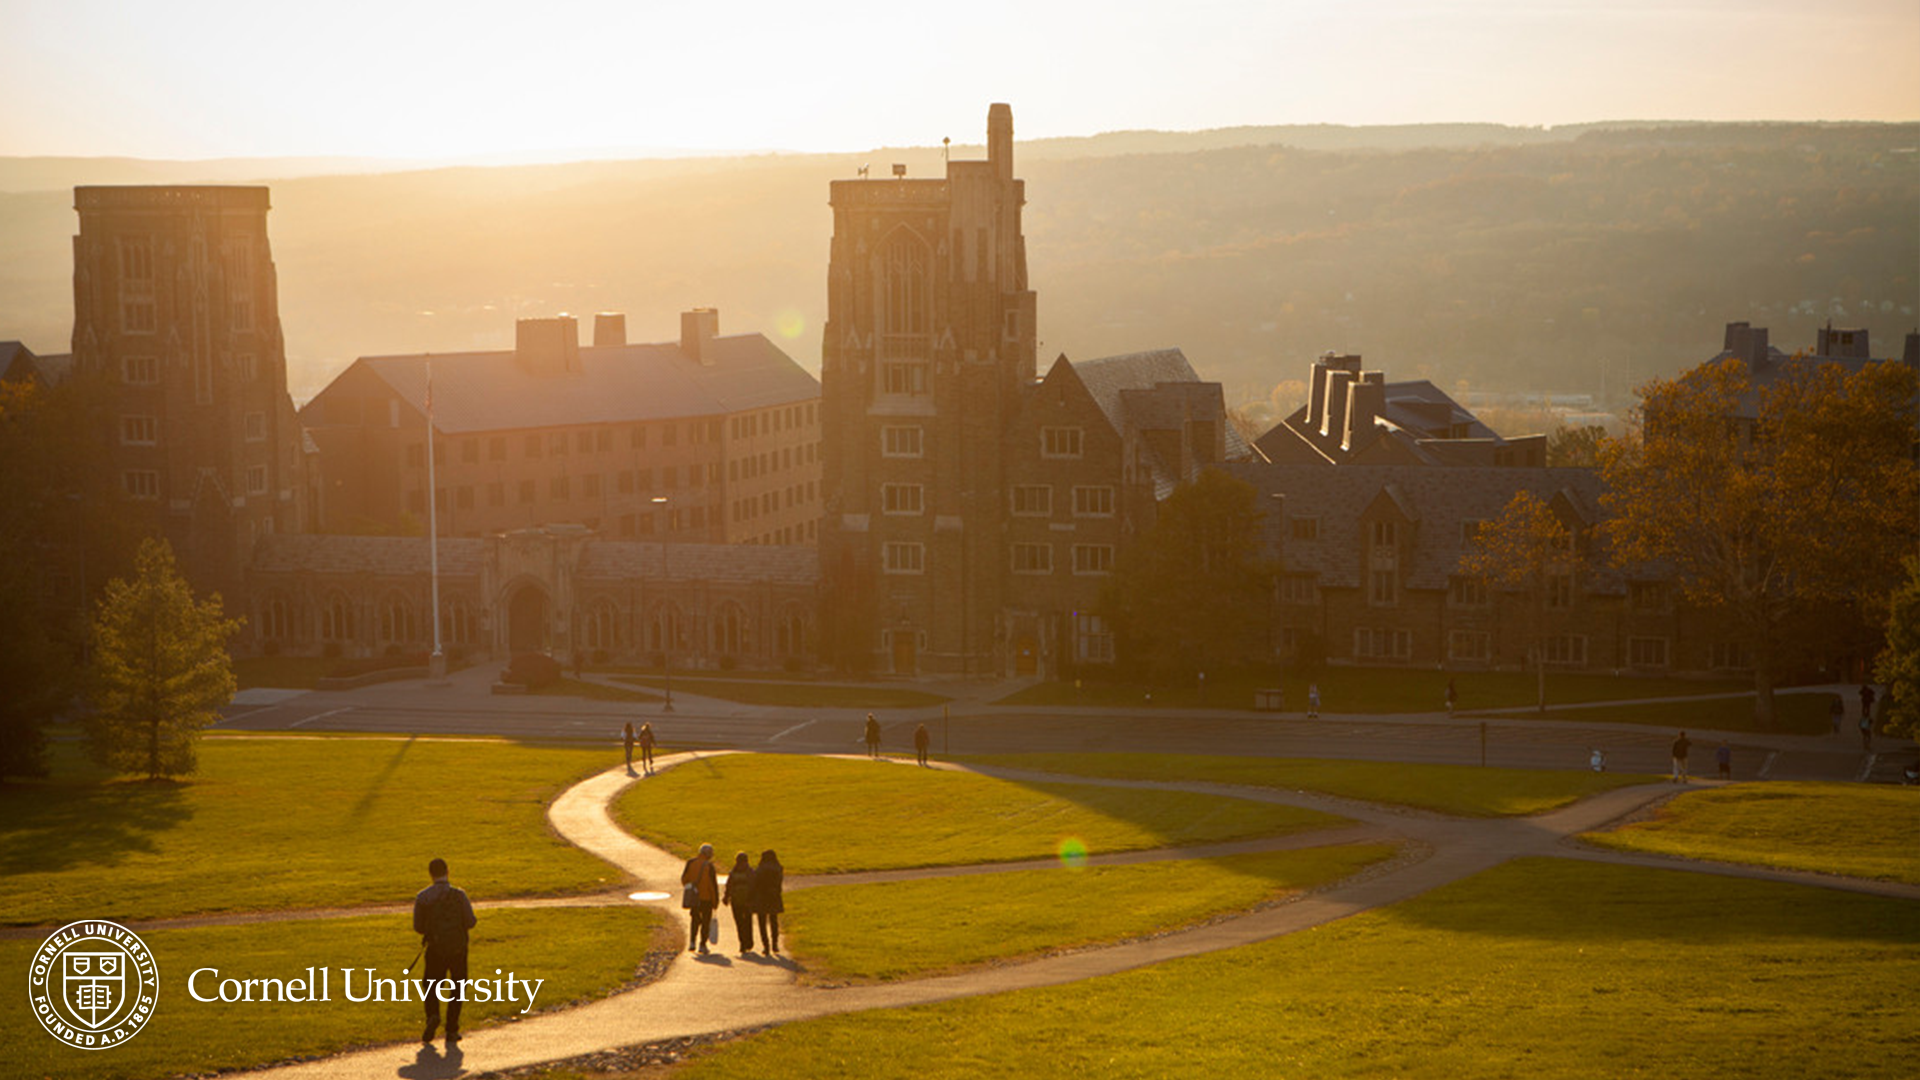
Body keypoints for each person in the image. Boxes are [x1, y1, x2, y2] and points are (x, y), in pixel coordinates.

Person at [412, 857, 477, 1046]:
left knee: (431, 986)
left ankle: (433, 1015)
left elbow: (418, 927)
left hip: (435, 949)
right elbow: (471, 922)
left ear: (430, 873)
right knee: (457, 988)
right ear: (448, 871)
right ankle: (451, 1029)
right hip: (458, 949)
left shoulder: (423, 897)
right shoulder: (459, 895)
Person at [680, 844, 720, 955]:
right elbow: (712, 886)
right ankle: (702, 945)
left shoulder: (691, 863)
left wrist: (692, 887)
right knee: (705, 922)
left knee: (695, 920)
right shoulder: (709, 867)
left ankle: (692, 942)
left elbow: (684, 879)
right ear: (708, 854)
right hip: (706, 898)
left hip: (694, 897)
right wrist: (715, 901)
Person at [721, 852, 757, 957]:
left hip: (736, 901)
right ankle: (749, 942)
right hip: (747, 901)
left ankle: (742, 943)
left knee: (739, 923)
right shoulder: (750, 872)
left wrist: (726, 897)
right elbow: (753, 886)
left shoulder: (733, 872)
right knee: (748, 922)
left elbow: (729, 885)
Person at [752, 849, 785, 955]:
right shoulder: (778, 868)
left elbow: (755, 883)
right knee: (773, 921)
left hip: (761, 897)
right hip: (774, 897)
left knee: (762, 923)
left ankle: (766, 946)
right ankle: (775, 944)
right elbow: (779, 884)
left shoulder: (760, 869)